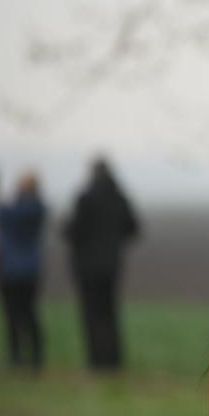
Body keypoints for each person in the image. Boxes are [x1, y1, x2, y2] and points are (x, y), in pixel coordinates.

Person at [63, 158, 140, 371]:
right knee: (110, 313)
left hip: (86, 267)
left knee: (91, 313)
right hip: (112, 265)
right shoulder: (120, 198)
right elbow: (133, 228)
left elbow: (72, 231)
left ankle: (96, 361)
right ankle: (114, 360)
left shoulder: (85, 198)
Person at [0, 171, 49, 371]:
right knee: (26, 313)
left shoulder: (26, 209)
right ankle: (33, 357)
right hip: (29, 269)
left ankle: (18, 356)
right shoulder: (36, 207)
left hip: (12, 270)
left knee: (14, 314)